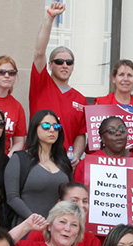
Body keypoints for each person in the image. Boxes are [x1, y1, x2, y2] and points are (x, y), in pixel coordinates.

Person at [31, 2, 87, 161]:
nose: (64, 65)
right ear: (50, 65)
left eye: (69, 62)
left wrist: (76, 155)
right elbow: (39, 52)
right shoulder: (41, 84)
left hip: (64, 163)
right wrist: (50, 17)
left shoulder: (81, 100)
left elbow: (81, 135)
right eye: (59, 62)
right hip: (37, 159)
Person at [5, 110, 72, 226]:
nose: (52, 130)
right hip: (26, 227)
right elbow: (12, 197)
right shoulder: (20, 158)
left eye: (56, 126)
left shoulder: (64, 161)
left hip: (58, 231)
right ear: (34, 128)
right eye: (46, 126)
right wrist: (36, 221)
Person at [23, 183, 102, 246]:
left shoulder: (93, 243)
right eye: (74, 200)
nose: (81, 205)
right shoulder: (39, 233)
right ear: (60, 203)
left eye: (85, 201)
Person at [73, 116, 133, 184]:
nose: (118, 133)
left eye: (122, 129)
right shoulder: (85, 164)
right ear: (102, 138)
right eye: (111, 131)